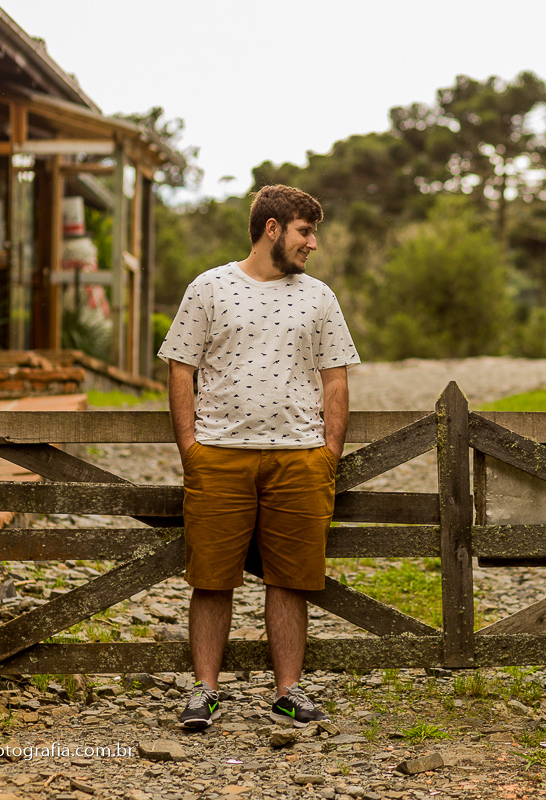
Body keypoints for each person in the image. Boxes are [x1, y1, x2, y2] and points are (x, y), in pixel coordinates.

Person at [157, 185, 359, 730]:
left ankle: (288, 691)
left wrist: (329, 454)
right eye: (305, 231)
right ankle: (204, 691)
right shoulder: (209, 288)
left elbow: (335, 377)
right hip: (219, 456)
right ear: (272, 228)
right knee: (211, 578)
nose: (313, 243)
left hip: (300, 459)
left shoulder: (320, 297)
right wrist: (191, 450)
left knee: (291, 579)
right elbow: (180, 368)